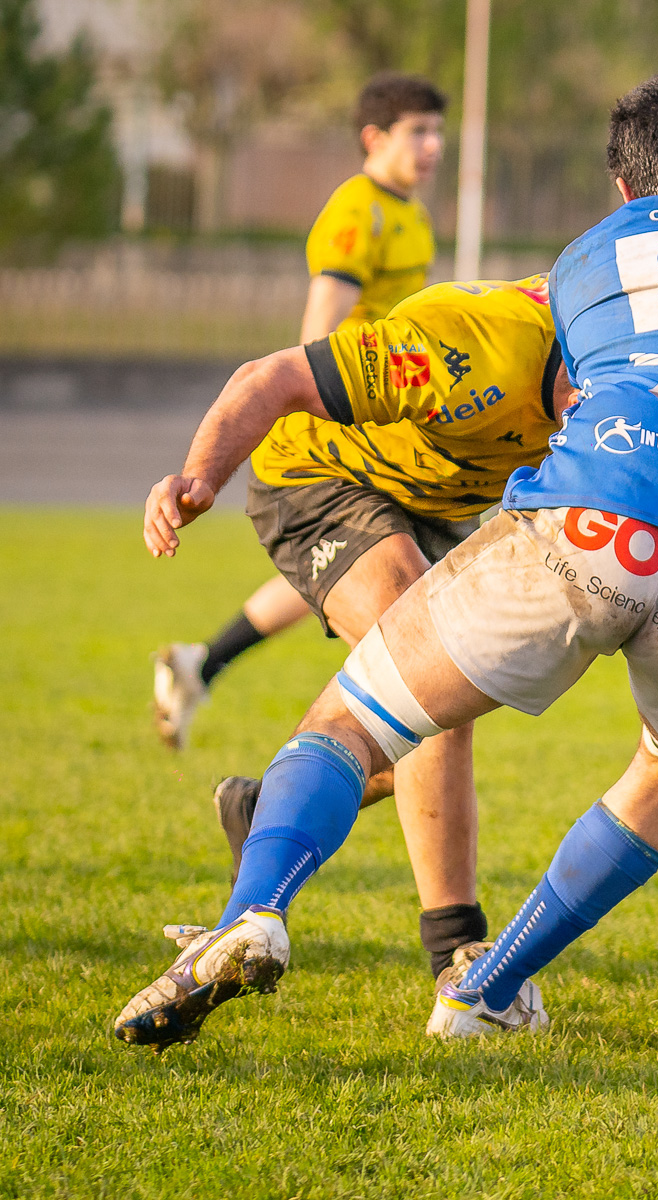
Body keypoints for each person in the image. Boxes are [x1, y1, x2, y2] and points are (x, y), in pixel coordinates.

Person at [113, 72, 658, 1049]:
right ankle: (487, 989)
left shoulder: (585, 259)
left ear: (623, 188)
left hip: (595, 521)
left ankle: (254, 912)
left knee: (356, 716)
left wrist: (191, 482)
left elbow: (586, 396)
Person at [139, 272, 569, 981]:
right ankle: (458, 951)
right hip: (319, 474)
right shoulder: (466, 345)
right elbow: (271, 375)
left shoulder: (630, 367)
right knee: (434, 664)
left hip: (436, 505)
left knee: (428, 702)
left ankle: (269, 808)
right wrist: (199, 477)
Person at [154, 73, 448, 750]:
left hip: (391, 429)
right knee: (411, 617)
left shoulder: (413, 213)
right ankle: (308, 771)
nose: (432, 146)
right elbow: (319, 336)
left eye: (438, 132)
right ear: (374, 138)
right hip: (347, 436)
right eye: (418, 132)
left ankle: (204, 663)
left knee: (363, 572)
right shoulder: (358, 212)